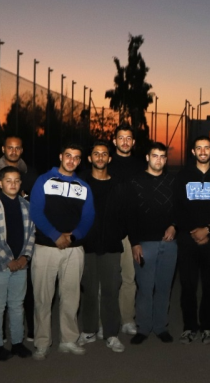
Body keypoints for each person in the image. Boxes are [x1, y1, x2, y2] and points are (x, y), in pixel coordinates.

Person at [28, 142, 96, 360]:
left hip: (74, 249)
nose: (71, 160)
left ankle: (68, 340)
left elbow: (88, 217)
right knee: (42, 298)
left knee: (71, 297)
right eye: (68, 155)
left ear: (80, 161)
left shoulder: (83, 186)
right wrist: (55, 235)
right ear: (60, 156)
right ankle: (42, 343)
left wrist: (72, 236)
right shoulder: (43, 180)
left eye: (76, 157)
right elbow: (35, 211)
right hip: (45, 247)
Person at [173, 136, 210, 344]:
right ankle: (189, 327)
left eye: (206, 148)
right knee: (188, 286)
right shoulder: (182, 176)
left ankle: (207, 327)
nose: (203, 151)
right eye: (199, 148)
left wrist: (208, 229)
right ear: (193, 152)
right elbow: (177, 207)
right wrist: (193, 232)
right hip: (187, 239)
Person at [126, 142, 178, 345]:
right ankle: (143, 328)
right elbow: (130, 215)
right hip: (144, 244)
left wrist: (174, 225)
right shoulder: (135, 182)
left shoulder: (172, 181)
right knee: (145, 289)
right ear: (147, 158)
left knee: (164, 288)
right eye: (155, 155)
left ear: (166, 160)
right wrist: (135, 243)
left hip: (169, 244)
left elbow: (180, 209)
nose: (159, 160)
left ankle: (161, 327)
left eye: (162, 156)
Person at [0, 166, 36, 361]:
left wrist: (25, 257)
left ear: (21, 183)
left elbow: (31, 233)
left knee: (17, 305)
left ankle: (17, 342)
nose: (13, 184)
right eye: (8, 180)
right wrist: (8, 260)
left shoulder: (27, 206)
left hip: (21, 265)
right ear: (0, 183)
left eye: (16, 181)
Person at [79, 141, 126, 352]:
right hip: (86, 246)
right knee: (88, 290)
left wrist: (117, 233)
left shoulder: (118, 184)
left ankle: (111, 334)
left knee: (111, 291)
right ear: (90, 158)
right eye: (96, 153)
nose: (100, 157)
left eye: (104, 154)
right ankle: (89, 330)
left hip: (111, 246)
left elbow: (126, 212)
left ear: (109, 158)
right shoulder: (81, 184)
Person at [107, 124, 145, 336]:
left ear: (133, 142)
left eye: (128, 138)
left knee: (129, 278)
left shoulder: (141, 166)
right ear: (115, 141)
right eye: (121, 138)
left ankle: (128, 319)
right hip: (110, 231)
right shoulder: (106, 163)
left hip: (132, 232)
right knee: (109, 280)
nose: (125, 141)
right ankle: (105, 319)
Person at [0, 135, 39, 202]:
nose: (14, 152)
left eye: (17, 148)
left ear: (21, 150)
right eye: (10, 148)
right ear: (3, 149)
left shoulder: (31, 173)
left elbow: (36, 199)